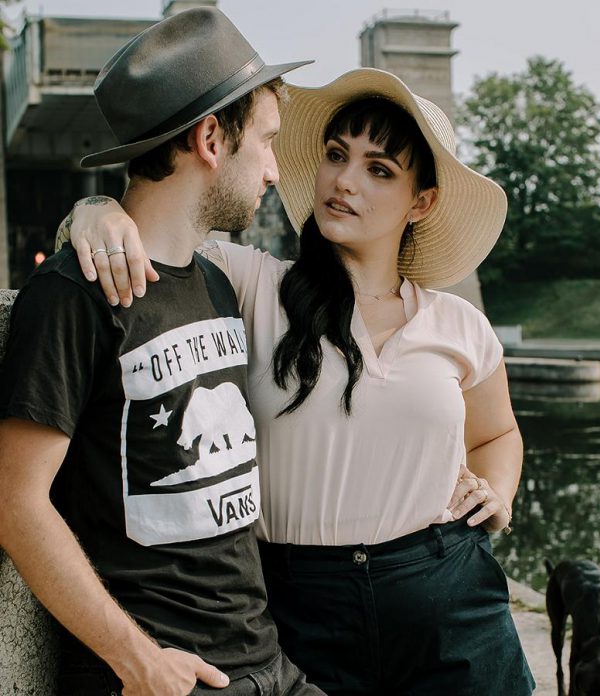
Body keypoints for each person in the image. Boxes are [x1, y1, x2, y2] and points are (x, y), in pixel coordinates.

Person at [59, 69, 536, 695]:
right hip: (298, 607)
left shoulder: (460, 325)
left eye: (379, 169)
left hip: (447, 600)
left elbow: (499, 432)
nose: (345, 180)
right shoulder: (249, 282)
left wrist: (498, 492)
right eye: (337, 156)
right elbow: (156, 229)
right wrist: (94, 210)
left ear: (421, 202)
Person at [0, 8, 324, 696]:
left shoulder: (215, 281)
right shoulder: (72, 294)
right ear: (211, 137)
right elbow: (13, 501)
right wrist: (140, 659)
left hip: (270, 666)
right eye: (266, 141)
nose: (274, 168)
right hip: (166, 679)